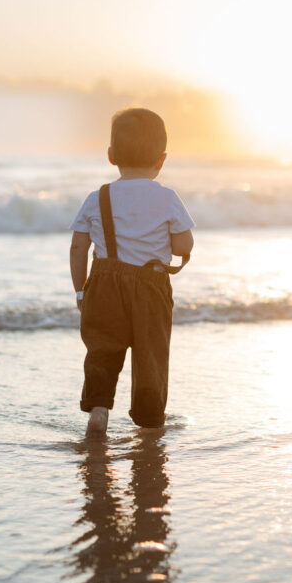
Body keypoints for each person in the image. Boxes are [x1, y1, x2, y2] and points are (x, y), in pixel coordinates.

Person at [69, 107, 194, 436]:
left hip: (103, 286)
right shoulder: (167, 198)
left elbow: (78, 247)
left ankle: (98, 410)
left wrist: (81, 290)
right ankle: (150, 421)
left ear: (111, 156)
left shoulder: (98, 197)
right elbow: (183, 246)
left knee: (102, 350)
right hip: (150, 287)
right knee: (151, 355)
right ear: (161, 160)